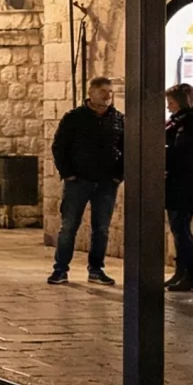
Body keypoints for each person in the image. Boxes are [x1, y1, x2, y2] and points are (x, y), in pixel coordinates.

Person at [49, 76, 125, 286]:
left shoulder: (118, 119)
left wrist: (118, 176)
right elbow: (59, 147)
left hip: (106, 183)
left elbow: (126, 148)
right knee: (69, 226)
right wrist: (68, 174)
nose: (107, 95)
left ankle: (96, 269)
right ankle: (60, 270)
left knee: (101, 228)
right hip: (78, 181)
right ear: (91, 93)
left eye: (110, 92)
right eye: (103, 91)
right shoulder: (74, 117)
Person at [165, 83, 193, 293]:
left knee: (181, 228)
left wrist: (163, 154)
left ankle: (192, 275)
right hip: (178, 181)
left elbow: (182, 153)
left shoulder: (191, 123)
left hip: (185, 182)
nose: (168, 107)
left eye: (171, 102)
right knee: (178, 228)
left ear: (182, 102)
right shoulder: (178, 122)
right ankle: (181, 272)